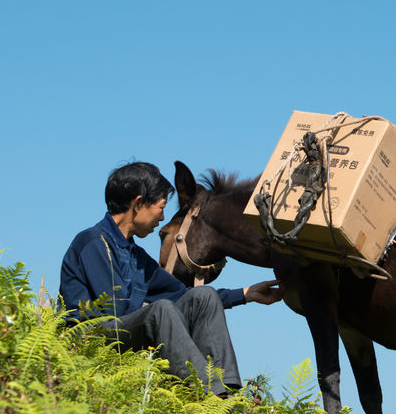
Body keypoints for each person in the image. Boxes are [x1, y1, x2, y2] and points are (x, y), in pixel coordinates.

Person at [59, 161, 283, 396]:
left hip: (126, 330)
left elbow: (182, 294)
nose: (163, 217)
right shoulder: (93, 243)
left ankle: (227, 391)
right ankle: (210, 395)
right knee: (162, 310)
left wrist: (246, 294)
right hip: (92, 338)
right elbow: (116, 309)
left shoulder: (136, 256)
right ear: (138, 204)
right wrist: (161, 314)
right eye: (161, 207)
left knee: (203, 296)